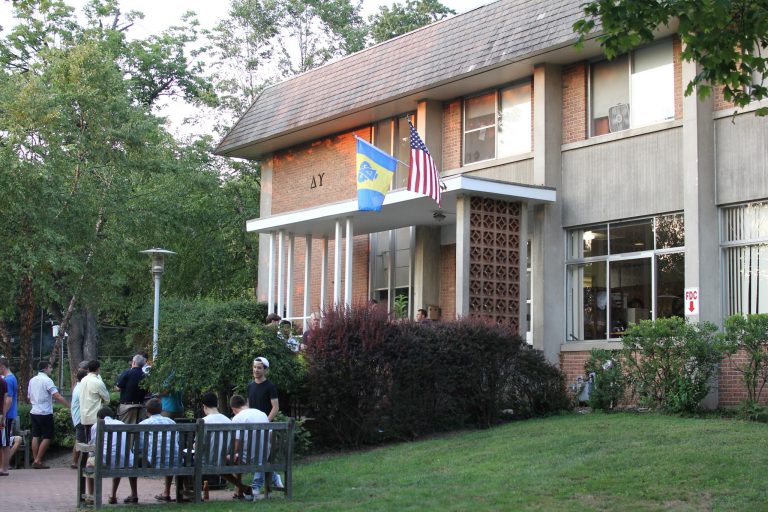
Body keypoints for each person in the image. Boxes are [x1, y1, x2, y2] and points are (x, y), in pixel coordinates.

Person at [246, 357, 283, 492]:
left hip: (266, 428)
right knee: (257, 457)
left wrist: (266, 422)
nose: (256, 370)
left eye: (259, 367)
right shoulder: (250, 386)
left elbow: (275, 407)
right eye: (255, 367)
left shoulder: (270, 387)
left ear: (265, 370)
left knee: (261, 457)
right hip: (253, 428)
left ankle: (255, 487)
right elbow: (249, 406)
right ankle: (274, 477)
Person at [27, 360, 70, 469]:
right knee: (48, 436)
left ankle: (35, 458)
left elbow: (28, 397)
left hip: (34, 410)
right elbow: (57, 396)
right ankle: (38, 460)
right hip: (45, 412)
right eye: (50, 368)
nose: (51, 370)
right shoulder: (47, 380)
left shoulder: (32, 380)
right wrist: (69, 406)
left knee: (35, 435)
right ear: (45, 369)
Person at [91, 406, 137, 504]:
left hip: (104, 461)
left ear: (99, 417)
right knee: (122, 459)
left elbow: (93, 446)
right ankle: (120, 495)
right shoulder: (123, 424)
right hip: (125, 461)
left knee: (89, 464)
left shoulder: (96, 425)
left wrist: (90, 455)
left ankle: (91, 496)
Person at [226, 395, 267, 500]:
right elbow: (270, 437)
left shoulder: (237, 418)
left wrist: (230, 454)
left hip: (247, 459)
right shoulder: (262, 414)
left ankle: (241, 489)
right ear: (245, 404)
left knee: (227, 458)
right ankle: (239, 491)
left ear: (233, 409)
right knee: (237, 455)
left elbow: (237, 444)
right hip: (264, 458)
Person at [139, 398, 179, 503]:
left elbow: (140, 446)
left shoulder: (144, 424)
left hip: (153, 461)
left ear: (147, 411)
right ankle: (167, 492)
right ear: (161, 410)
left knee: (132, 460)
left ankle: (133, 494)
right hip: (174, 460)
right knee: (169, 454)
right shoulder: (172, 422)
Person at [79, 360, 110, 442]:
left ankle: (88, 454)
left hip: (84, 416)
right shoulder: (98, 382)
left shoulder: (83, 380)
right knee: (96, 441)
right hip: (95, 416)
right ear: (98, 369)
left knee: (88, 440)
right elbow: (107, 399)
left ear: (88, 369)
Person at [116, 354, 148, 423]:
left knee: (124, 429)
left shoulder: (127, 373)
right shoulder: (145, 376)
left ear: (133, 362)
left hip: (127, 407)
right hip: (140, 407)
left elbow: (118, 388)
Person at [0, 356, 18, 474]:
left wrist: (3, 415)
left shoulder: (8, 380)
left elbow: (8, 399)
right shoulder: (8, 379)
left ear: (2, 367)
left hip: (6, 415)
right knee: (3, 441)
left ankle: (4, 468)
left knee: (4, 442)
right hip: (7, 414)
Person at [69, 368, 89, 469]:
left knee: (82, 440)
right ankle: (74, 461)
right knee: (80, 440)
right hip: (80, 418)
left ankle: (78, 461)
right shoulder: (81, 388)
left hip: (78, 417)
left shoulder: (78, 386)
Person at [0, 373, 7, 476]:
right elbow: (5, 401)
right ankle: (1, 468)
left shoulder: (2, 382)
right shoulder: (3, 381)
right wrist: (3, 416)